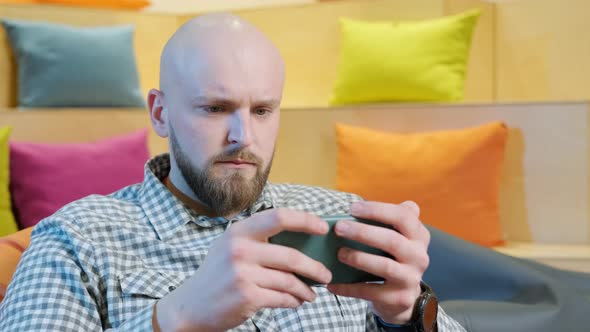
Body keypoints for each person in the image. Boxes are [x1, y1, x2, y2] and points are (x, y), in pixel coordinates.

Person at [0, 13, 466, 332]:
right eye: (215, 108)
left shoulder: (339, 214)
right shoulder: (76, 238)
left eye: (262, 110)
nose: (243, 136)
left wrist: (407, 314)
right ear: (160, 114)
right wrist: (174, 318)